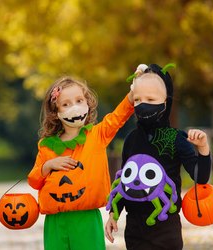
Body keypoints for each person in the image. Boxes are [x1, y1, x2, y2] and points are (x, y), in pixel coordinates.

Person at [105, 63, 212, 250]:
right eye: (137, 100)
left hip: (165, 227)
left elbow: (200, 177)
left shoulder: (176, 138)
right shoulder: (131, 139)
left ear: (165, 102)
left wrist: (203, 149)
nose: (142, 104)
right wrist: (114, 214)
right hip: (134, 228)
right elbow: (125, 181)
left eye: (150, 99)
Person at [28, 76, 134, 250]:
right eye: (66, 104)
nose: (74, 107)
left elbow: (117, 117)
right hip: (56, 221)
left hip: (86, 218)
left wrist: (133, 93)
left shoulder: (97, 135)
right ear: (56, 112)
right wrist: (48, 166)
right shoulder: (47, 146)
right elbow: (33, 181)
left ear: (88, 104)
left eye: (79, 100)